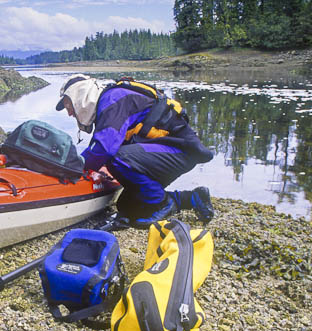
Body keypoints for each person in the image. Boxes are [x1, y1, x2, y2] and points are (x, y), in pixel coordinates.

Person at [56, 74, 214, 228]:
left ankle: (162, 203)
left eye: (68, 105)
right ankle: (193, 198)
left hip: (180, 151)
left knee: (117, 158)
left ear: (79, 95)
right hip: (164, 153)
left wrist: (73, 168)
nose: (70, 113)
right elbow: (100, 145)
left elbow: (104, 149)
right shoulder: (107, 103)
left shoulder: (112, 99)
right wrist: (88, 166)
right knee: (127, 207)